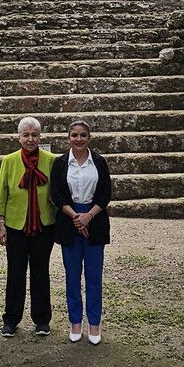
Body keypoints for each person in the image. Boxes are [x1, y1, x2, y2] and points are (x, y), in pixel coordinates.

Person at [50, 118, 112, 345]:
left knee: (94, 276)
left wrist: (88, 216)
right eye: (74, 135)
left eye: (82, 135)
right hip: (70, 220)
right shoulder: (60, 163)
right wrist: (75, 216)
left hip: (94, 219)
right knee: (72, 275)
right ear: (68, 138)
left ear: (89, 138)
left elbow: (105, 193)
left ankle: (94, 323)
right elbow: (56, 194)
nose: (78, 139)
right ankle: (75, 321)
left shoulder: (99, 162)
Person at [0, 116, 56, 338]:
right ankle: (11, 319)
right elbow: (2, 194)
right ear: (18, 136)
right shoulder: (9, 161)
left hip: (43, 226)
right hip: (15, 225)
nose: (30, 139)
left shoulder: (51, 160)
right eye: (26, 135)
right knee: (15, 273)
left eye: (34, 135)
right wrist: (0, 224)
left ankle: (41, 320)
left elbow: (56, 193)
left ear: (40, 136)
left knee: (41, 273)